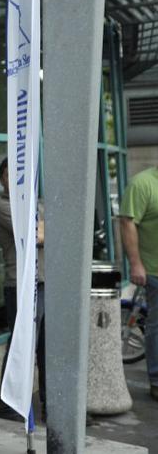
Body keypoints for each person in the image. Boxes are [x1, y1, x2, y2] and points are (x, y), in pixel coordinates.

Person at [0, 157, 46, 419]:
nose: (13, 178)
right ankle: (8, 405)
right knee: (20, 344)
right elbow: (37, 235)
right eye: (7, 174)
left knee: (46, 347)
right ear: (2, 179)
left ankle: (51, 405)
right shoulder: (3, 207)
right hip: (20, 285)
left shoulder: (34, 203)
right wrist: (43, 226)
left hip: (43, 281)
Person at [119, 165, 158, 402]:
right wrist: (135, 264)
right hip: (154, 270)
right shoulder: (142, 183)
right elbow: (127, 222)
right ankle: (156, 380)